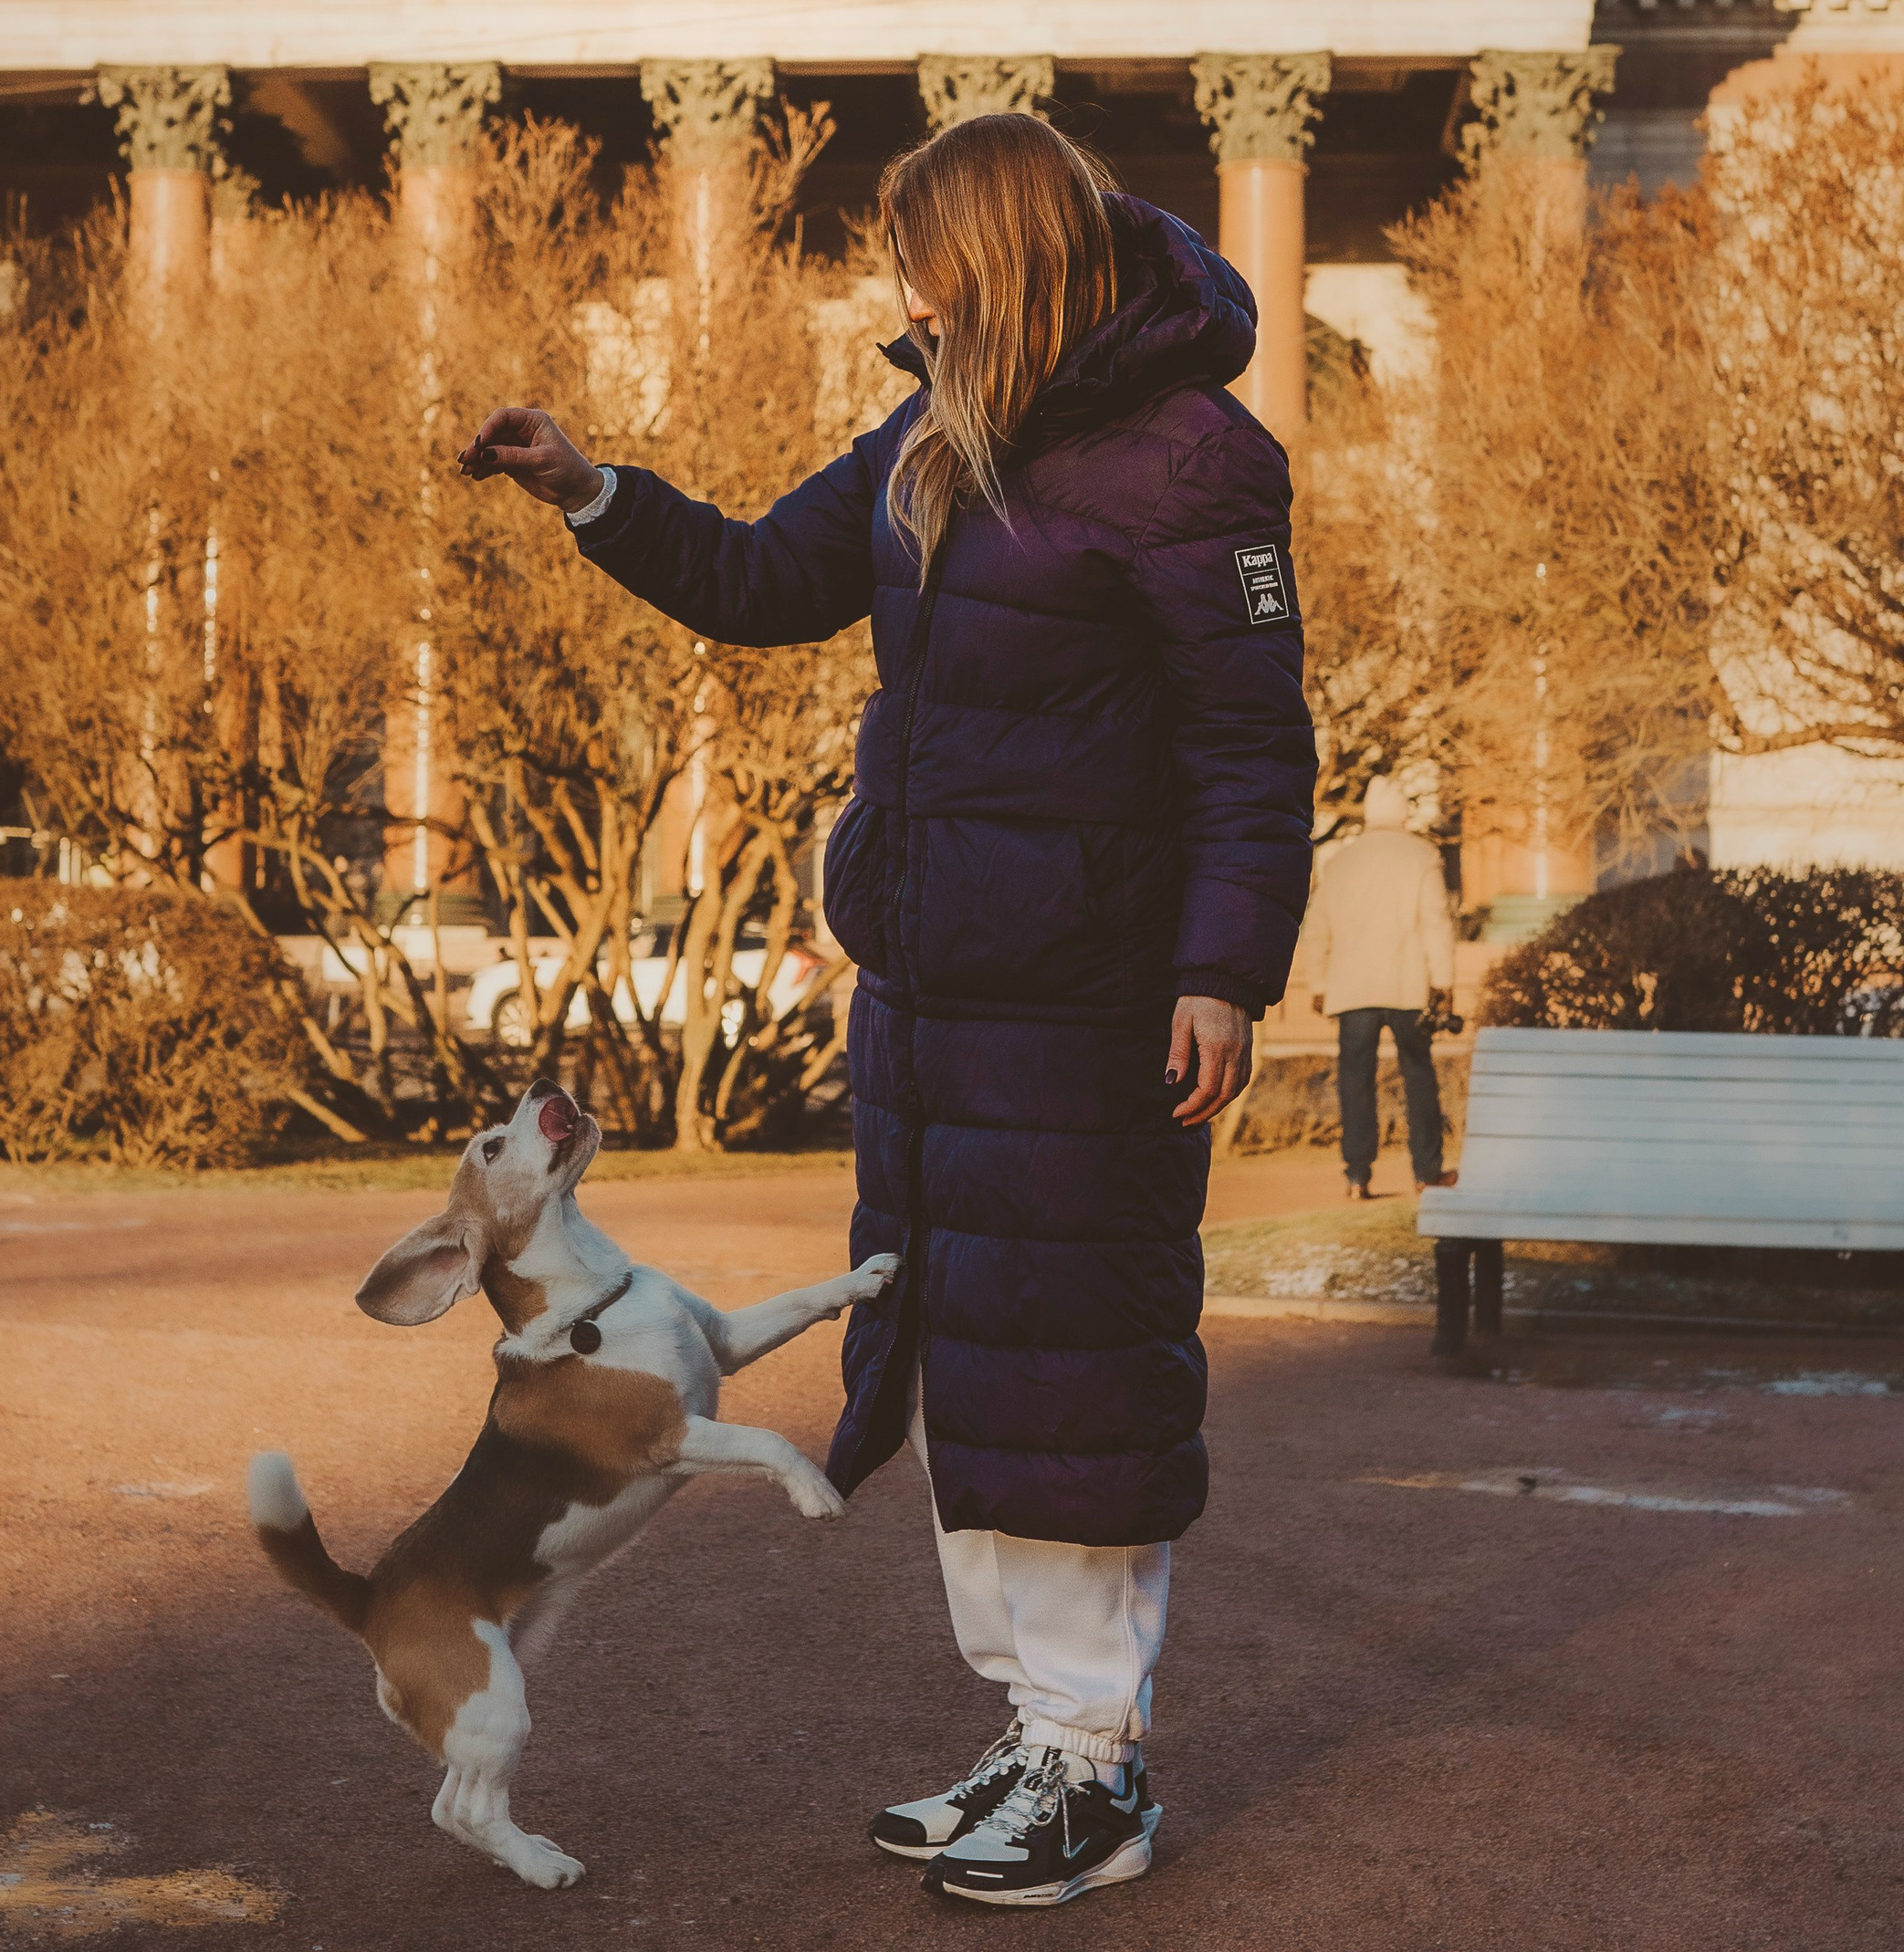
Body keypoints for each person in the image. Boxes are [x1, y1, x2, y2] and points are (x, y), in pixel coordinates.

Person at [461, 115, 1316, 1907]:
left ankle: (1097, 1766)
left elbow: (1249, 745)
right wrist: (588, 485)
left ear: (994, 249)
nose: (895, 281)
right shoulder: (936, 428)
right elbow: (763, 579)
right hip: (934, 1002)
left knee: (1073, 1379)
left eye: (914, 248)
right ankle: (1036, 1728)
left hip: (1092, 1008)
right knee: (970, 1371)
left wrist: (1222, 968)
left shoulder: (1185, 457)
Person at [1301, 776, 1457, 1200]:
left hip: (1352, 990)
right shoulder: (1422, 856)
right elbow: (1435, 924)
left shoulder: (1341, 862)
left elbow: (1318, 929)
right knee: (1419, 1076)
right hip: (1408, 986)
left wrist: (1317, 981)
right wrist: (1443, 981)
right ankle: (1427, 1172)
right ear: (1402, 812)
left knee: (1355, 1081)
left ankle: (1357, 1174)